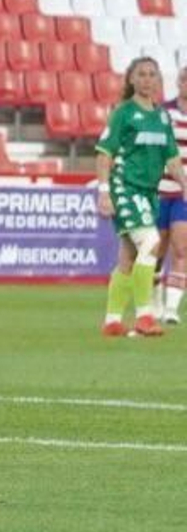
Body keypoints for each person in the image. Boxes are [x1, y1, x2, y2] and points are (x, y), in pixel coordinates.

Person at [95, 57, 186, 338]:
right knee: (151, 242)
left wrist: (184, 183)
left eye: (152, 74)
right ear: (131, 79)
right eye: (142, 74)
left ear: (159, 79)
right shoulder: (123, 113)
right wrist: (104, 192)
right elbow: (104, 154)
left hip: (148, 193)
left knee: (128, 255)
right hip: (125, 187)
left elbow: (172, 158)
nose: (147, 79)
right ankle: (145, 315)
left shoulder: (162, 117)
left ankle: (112, 320)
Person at [159, 66, 187, 325]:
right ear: (178, 82)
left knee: (181, 248)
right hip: (160, 189)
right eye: (184, 80)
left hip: (184, 194)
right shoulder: (164, 112)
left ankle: (171, 310)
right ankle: (155, 304)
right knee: (156, 250)